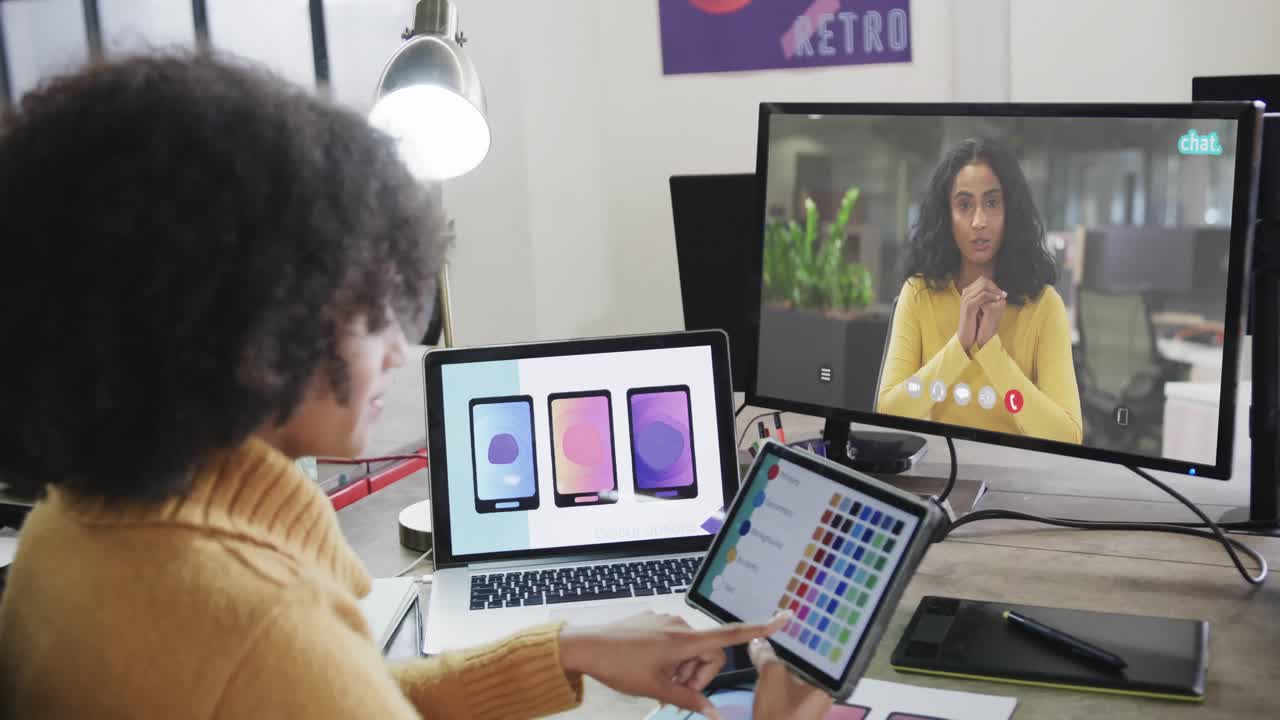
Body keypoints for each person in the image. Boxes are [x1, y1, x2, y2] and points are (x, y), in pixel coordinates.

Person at [0, 56, 832, 719]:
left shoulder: (68, 528)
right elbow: (301, 681)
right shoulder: (254, 630)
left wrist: (569, 650)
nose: (402, 348)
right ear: (243, 315)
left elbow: (348, 697)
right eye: (369, 306)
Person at [876, 137, 1082, 444]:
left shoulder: (1044, 305)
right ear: (947, 217)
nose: (979, 221)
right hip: (937, 471)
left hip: (1016, 477)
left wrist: (991, 352)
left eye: (991, 202)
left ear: (1010, 210)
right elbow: (888, 412)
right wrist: (959, 347)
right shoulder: (918, 294)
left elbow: (1067, 436)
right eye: (964, 205)